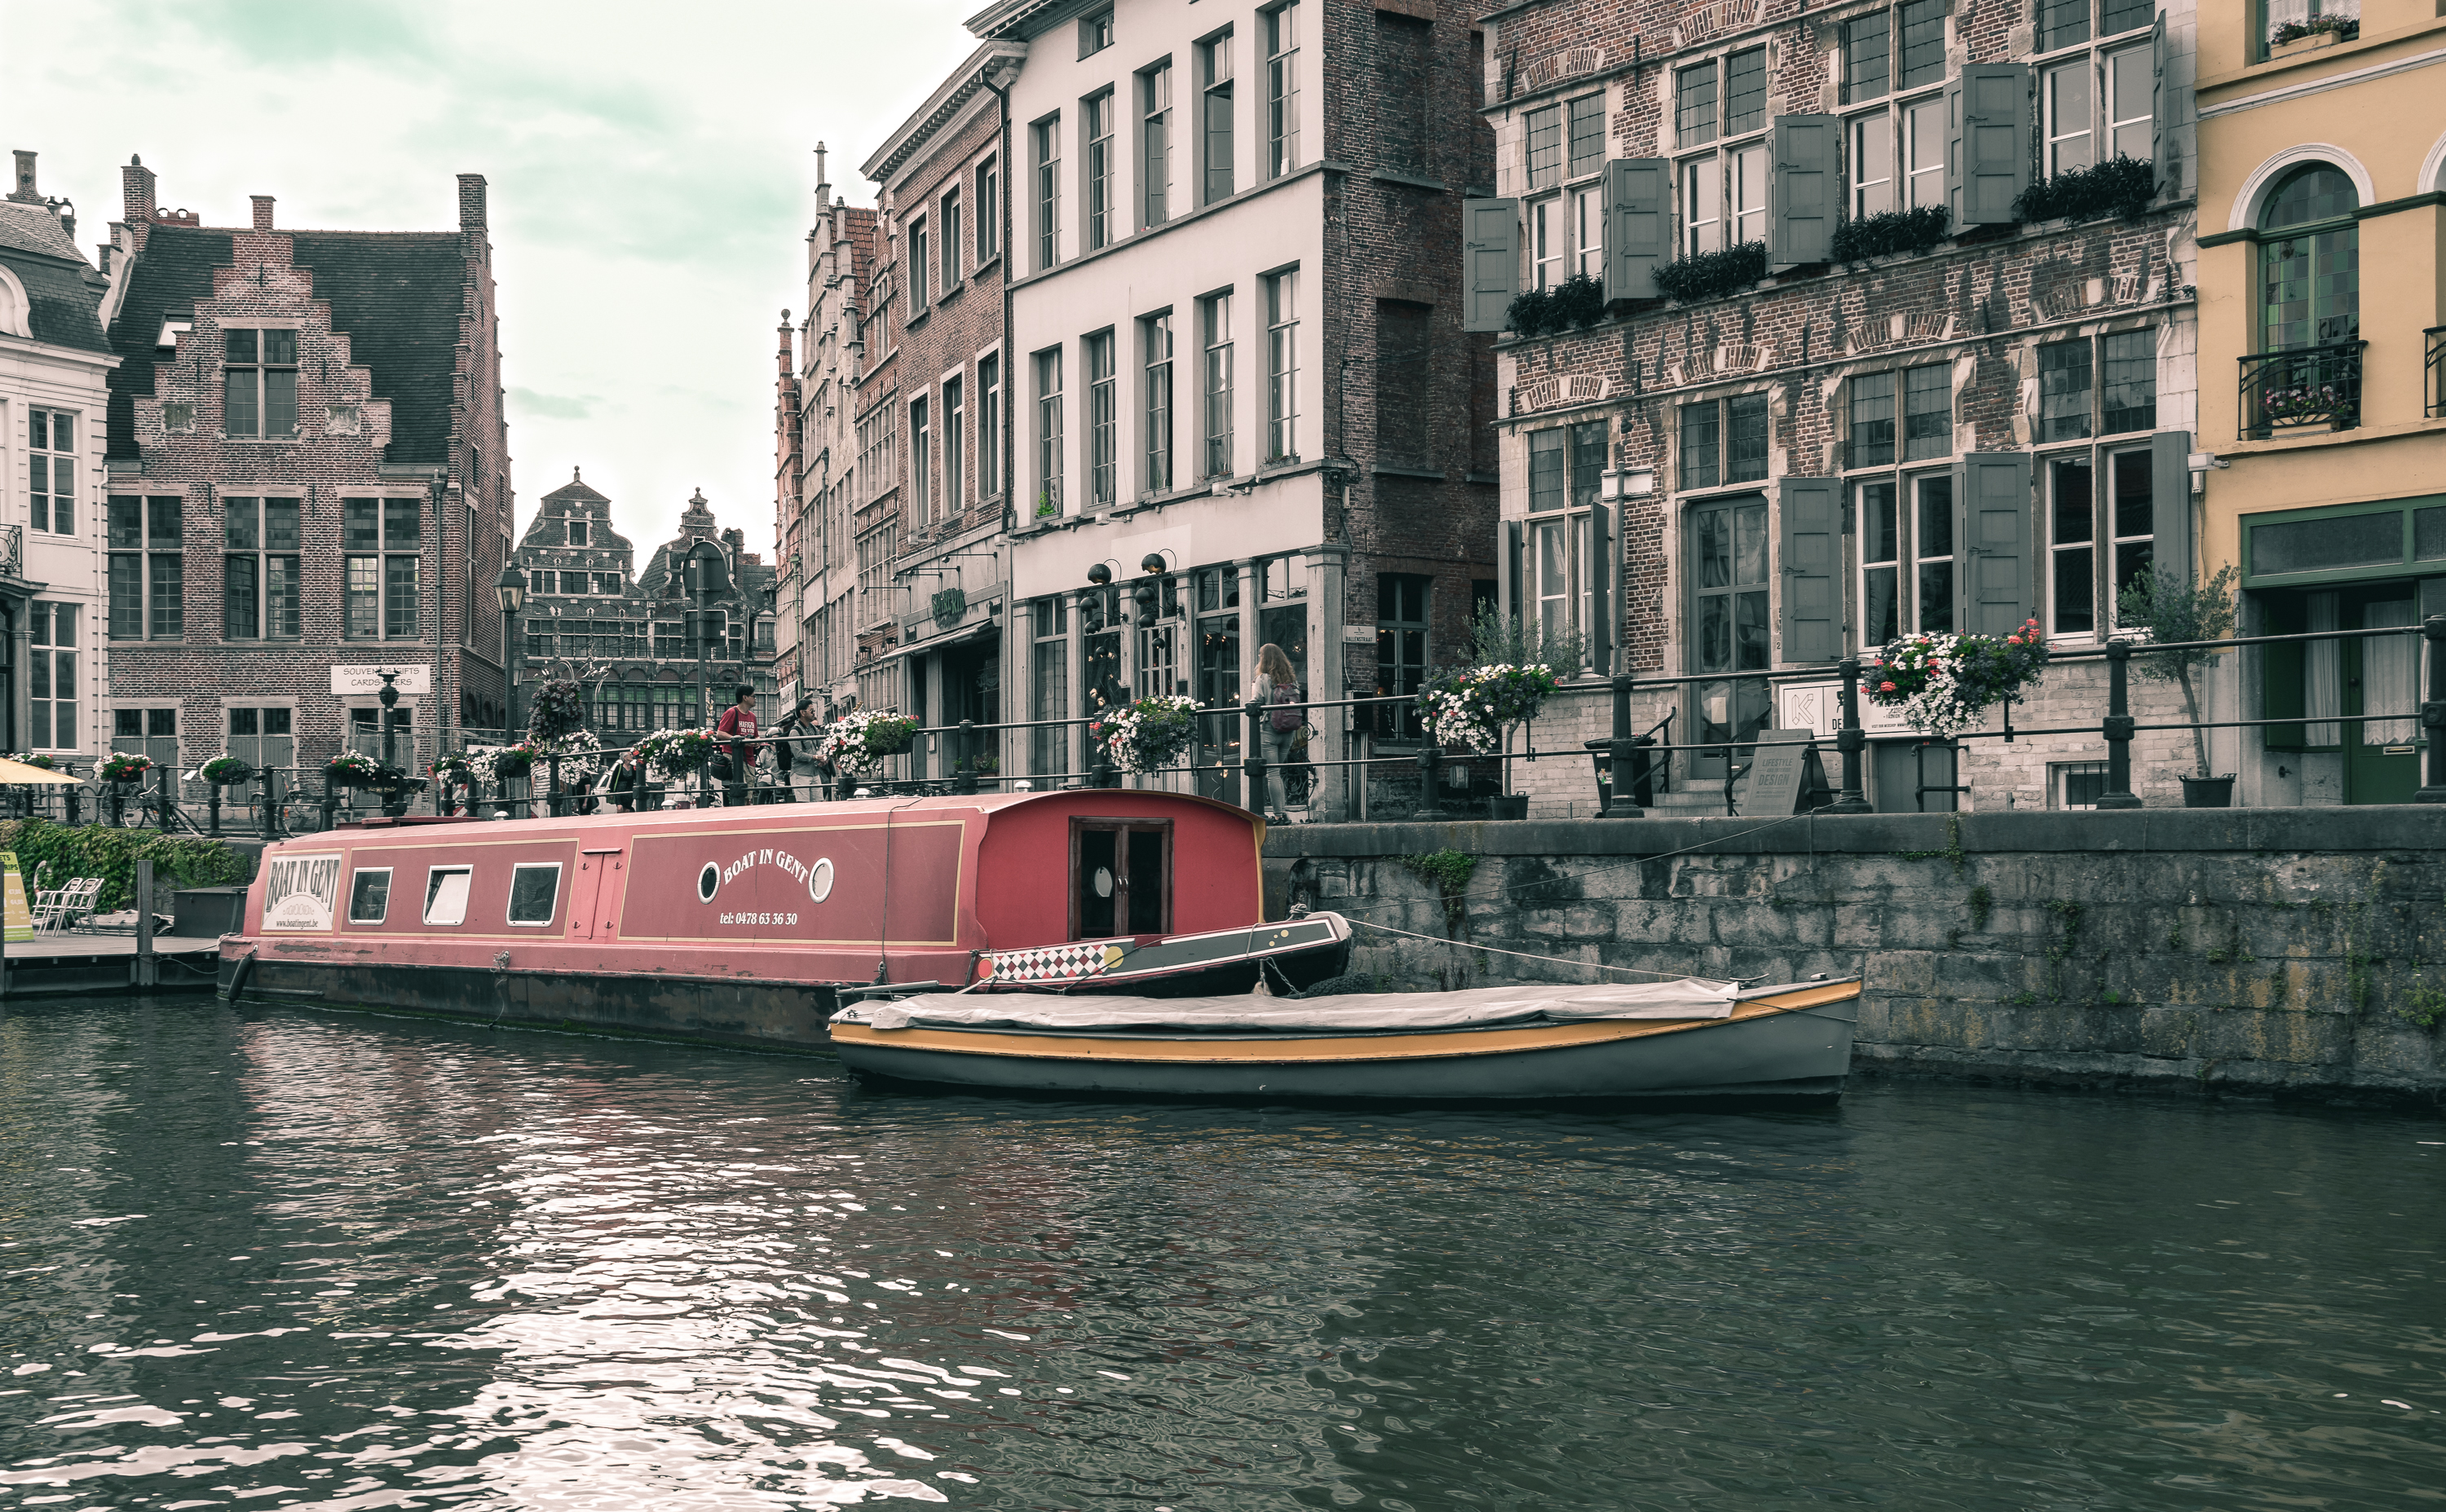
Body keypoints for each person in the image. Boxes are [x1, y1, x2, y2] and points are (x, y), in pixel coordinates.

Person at [1252, 642, 1302, 824]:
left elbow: (1255, 701)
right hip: (1288, 730)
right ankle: (1282, 813)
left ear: (1264, 659)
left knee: (1272, 773)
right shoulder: (1291, 680)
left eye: (1260, 656)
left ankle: (1279, 815)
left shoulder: (1263, 678)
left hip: (1269, 729)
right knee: (1277, 772)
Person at [714, 685, 763, 807]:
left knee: (748, 793)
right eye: (753, 696)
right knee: (740, 790)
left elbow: (756, 735)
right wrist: (740, 741)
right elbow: (720, 733)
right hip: (734, 757)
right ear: (745, 697)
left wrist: (757, 741)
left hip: (749, 758)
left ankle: (744, 812)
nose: (756, 699)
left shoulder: (752, 716)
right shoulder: (731, 712)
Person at [769, 696, 815, 804]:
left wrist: (823, 757)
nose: (814, 713)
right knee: (804, 806)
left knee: (819, 804)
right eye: (811, 711)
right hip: (801, 774)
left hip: (814, 772)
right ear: (803, 713)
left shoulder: (813, 728)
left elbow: (820, 745)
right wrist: (816, 757)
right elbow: (798, 754)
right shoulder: (795, 731)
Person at [604, 744, 647, 813]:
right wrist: (611, 792)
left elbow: (637, 779)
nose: (632, 756)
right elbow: (613, 780)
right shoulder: (619, 767)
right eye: (630, 755)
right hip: (619, 790)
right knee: (619, 807)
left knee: (627, 809)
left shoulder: (633, 767)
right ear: (625, 757)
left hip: (629, 791)